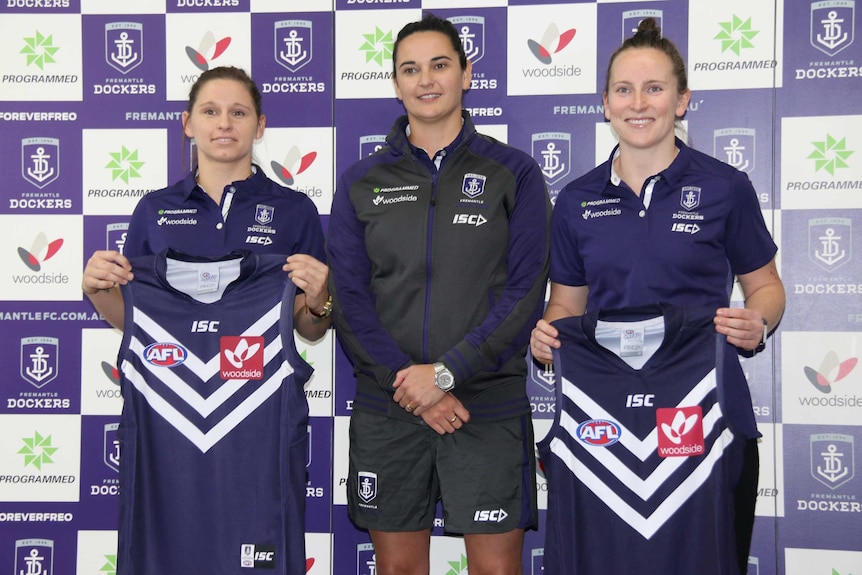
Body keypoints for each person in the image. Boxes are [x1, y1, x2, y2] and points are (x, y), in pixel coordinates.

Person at [529, 18, 785, 575]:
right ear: (605, 103)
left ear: (682, 99)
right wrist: (547, 335)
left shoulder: (725, 187)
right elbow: (567, 306)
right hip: (607, 420)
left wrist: (757, 323)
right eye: (624, 89)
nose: (638, 103)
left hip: (704, 411)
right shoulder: (575, 201)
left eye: (654, 88)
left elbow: (766, 287)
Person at [326, 14, 552, 575]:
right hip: (391, 407)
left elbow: (526, 291)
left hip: (486, 404)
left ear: (466, 74)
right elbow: (349, 299)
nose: (426, 79)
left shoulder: (514, 173)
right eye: (410, 69)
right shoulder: (360, 181)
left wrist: (446, 374)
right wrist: (411, 386)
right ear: (396, 83)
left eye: (440, 65)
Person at [81, 66, 331, 341]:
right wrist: (99, 290)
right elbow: (136, 318)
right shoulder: (154, 209)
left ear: (259, 125)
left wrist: (320, 304)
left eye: (238, 112)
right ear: (188, 123)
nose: (224, 123)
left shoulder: (294, 209)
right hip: (173, 379)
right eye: (210, 111)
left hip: (261, 382)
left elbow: (310, 329)